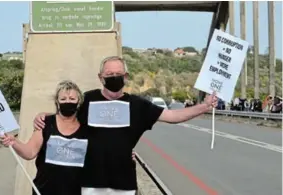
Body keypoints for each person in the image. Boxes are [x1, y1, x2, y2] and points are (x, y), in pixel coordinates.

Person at [33, 56, 218, 195]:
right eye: (109, 74)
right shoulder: (86, 100)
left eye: (118, 74)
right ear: (100, 77)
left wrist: (204, 106)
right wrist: (44, 116)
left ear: (126, 76)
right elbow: (66, 115)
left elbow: (172, 116)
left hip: (124, 185)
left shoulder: (138, 105)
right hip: (89, 182)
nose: (113, 77)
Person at [1, 80, 88, 195]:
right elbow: (30, 152)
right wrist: (14, 142)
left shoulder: (86, 127)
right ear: (57, 102)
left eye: (72, 99)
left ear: (79, 102)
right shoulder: (45, 123)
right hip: (44, 190)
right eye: (63, 99)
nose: (67, 102)